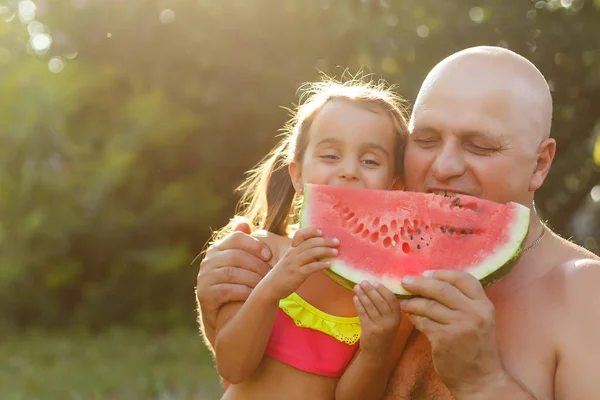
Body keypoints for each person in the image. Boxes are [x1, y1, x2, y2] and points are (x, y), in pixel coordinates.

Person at [197, 46, 600, 399]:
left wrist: (483, 383)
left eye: (479, 146)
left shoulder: (585, 293)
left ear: (540, 164)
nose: (443, 167)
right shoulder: (376, 267)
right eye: (425, 140)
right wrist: (220, 308)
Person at [211, 78, 414, 400]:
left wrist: (376, 348)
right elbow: (233, 367)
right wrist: (273, 287)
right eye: (330, 156)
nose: (349, 171)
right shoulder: (261, 253)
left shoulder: (391, 292)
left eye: (370, 161)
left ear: (396, 186)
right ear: (297, 175)